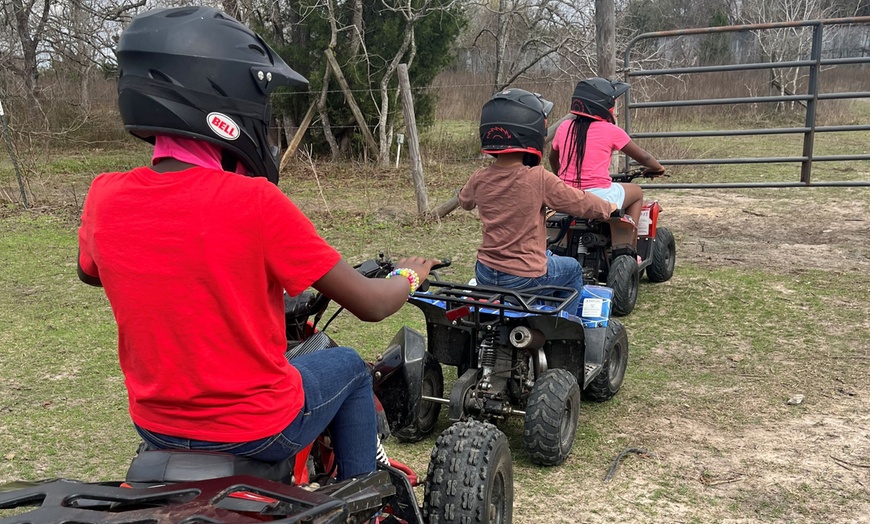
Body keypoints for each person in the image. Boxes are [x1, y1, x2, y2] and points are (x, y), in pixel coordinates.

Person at [76, 6, 438, 482]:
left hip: (157, 427)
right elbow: (371, 304)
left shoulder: (104, 195)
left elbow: (91, 271)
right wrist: (409, 275)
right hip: (257, 428)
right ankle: (360, 496)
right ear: (228, 98)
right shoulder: (255, 202)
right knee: (348, 364)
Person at [459, 88, 615, 315]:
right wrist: (607, 208)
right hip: (522, 276)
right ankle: (564, 329)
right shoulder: (538, 177)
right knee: (571, 269)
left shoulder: (479, 177)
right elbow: (580, 202)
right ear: (532, 132)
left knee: (548, 256)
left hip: (485, 271)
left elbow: (464, 201)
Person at [549, 77, 664, 225]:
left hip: (566, 195)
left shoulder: (564, 127)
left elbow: (553, 158)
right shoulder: (610, 130)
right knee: (636, 192)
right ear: (606, 106)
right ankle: (626, 243)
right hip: (599, 196)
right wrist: (658, 168)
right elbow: (644, 157)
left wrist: (563, 180)